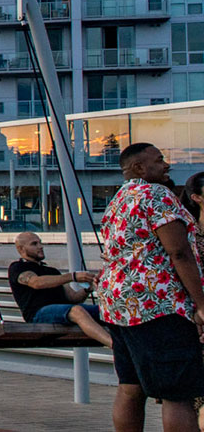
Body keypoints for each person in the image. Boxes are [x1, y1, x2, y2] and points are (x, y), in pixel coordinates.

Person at [97, 142, 204, 432]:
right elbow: (178, 252)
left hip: (119, 305)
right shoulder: (157, 194)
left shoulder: (118, 199)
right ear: (139, 168)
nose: (166, 164)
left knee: (130, 387)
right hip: (157, 304)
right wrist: (201, 304)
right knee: (177, 395)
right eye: (159, 160)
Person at [7, 231, 110, 347]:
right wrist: (72, 277)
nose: (40, 247)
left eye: (40, 243)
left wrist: (89, 288)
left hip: (62, 311)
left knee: (107, 311)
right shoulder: (18, 268)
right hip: (38, 314)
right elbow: (36, 283)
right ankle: (113, 344)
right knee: (77, 311)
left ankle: (126, 342)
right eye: (34, 244)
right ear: (21, 249)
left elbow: (73, 298)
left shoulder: (52, 271)